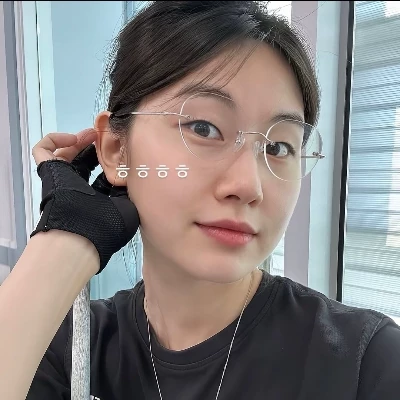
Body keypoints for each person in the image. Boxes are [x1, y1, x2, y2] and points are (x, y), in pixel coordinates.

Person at [0, 1, 399, 399]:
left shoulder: (366, 363)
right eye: (204, 128)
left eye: (278, 147)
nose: (249, 185)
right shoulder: (59, 349)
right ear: (117, 151)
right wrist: (65, 237)